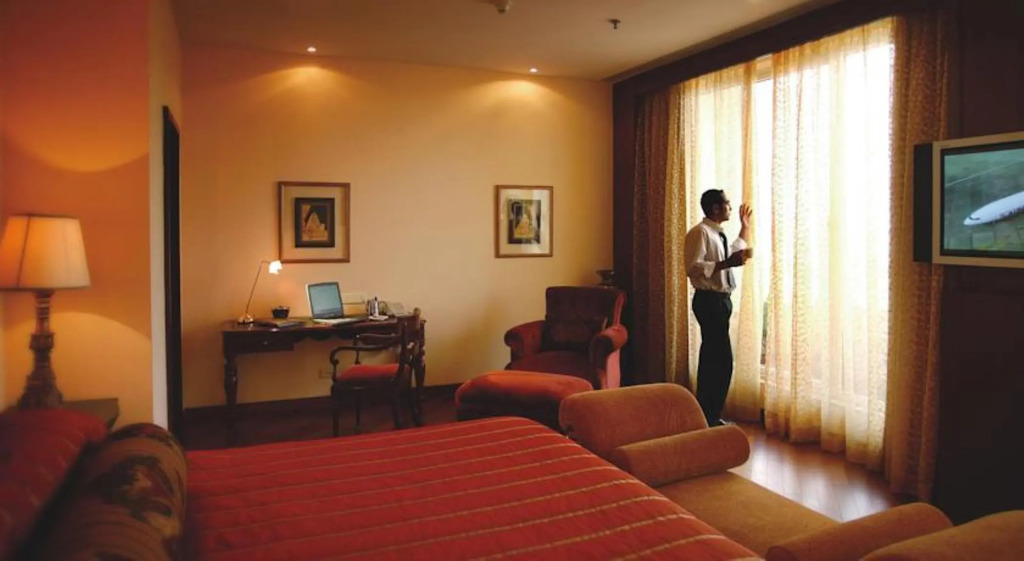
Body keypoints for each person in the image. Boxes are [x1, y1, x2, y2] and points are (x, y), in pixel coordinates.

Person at [683, 189, 752, 427]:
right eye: (727, 203)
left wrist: (744, 228)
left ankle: (708, 416)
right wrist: (726, 263)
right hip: (709, 301)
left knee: (713, 358)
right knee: (721, 361)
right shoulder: (700, 233)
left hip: (721, 301)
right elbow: (693, 267)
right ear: (715, 208)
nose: (731, 207)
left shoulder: (717, 234)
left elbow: (730, 253)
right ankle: (709, 417)